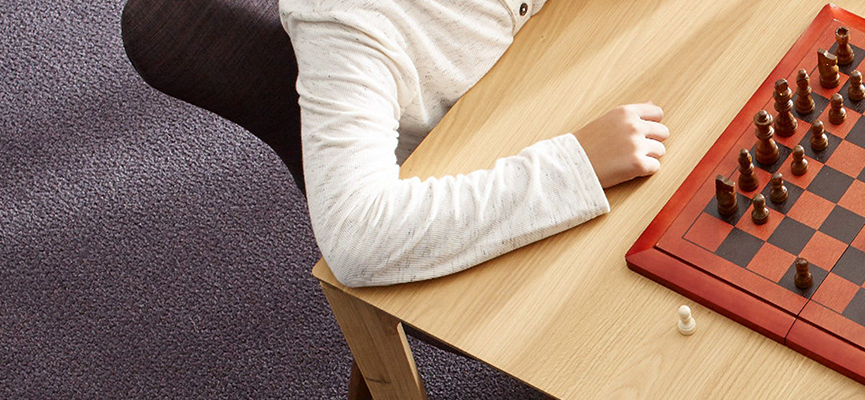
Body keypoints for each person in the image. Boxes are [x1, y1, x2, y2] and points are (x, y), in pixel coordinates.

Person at [278, 0, 672, 287]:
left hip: (584, 79)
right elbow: (356, 235)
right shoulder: (346, 24)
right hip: (484, 210)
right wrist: (575, 166)